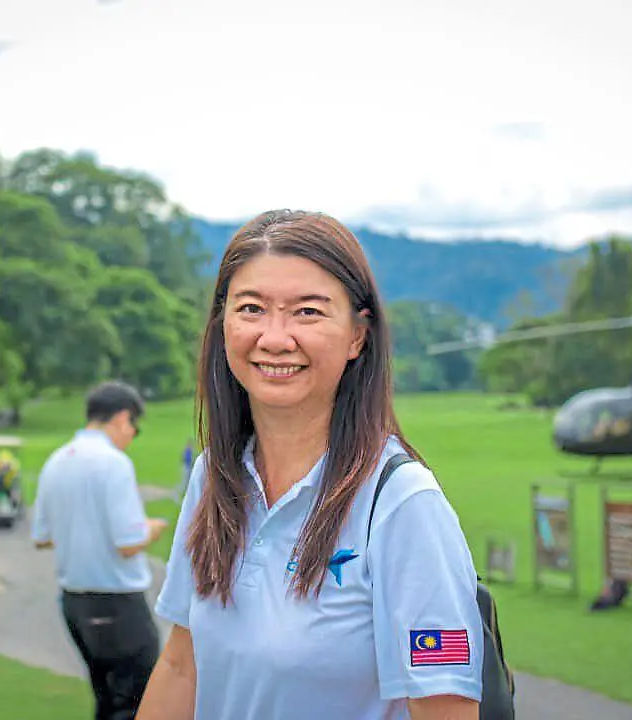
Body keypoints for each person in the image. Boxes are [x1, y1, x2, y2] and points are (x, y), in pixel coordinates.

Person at [138, 210, 484, 719]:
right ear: (222, 324)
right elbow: (182, 665)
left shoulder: (402, 503)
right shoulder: (215, 475)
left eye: (307, 312)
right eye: (251, 308)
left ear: (358, 335)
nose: (275, 338)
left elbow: (445, 709)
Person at [31, 380, 169, 720]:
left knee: (106, 699)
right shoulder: (113, 463)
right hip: (116, 602)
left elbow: (42, 537)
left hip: (74, 603)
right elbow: (128, 542)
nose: (132, 435)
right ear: (122, 418)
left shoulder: (57, 460)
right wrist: (153, 528)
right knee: (137, 703)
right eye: (134, 427)